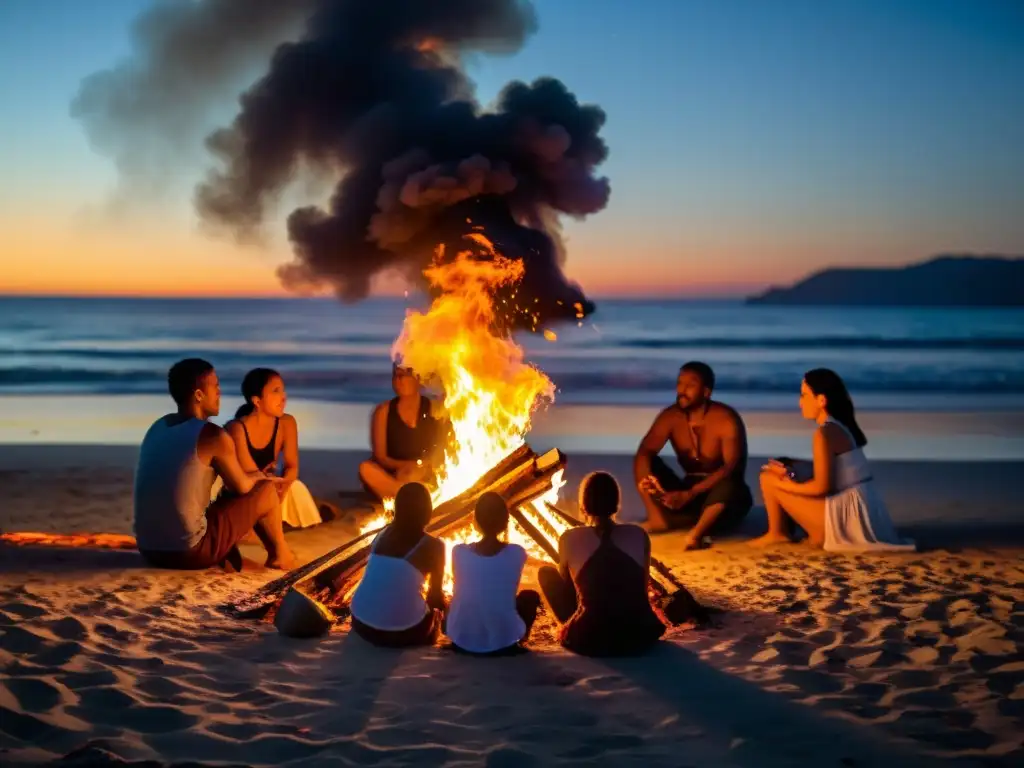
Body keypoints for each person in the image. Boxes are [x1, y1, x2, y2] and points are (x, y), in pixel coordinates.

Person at [133, 358, 297, 571]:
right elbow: (242, 487)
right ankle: (281, 556)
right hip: (188, 552)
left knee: (219, 501)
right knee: (266, 490)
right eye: (215, 386)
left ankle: (236, 555)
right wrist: (261, 477)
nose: (219, 392)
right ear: (199, 395)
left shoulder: (158, 426)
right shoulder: (212, 435)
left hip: (148, 548)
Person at [751, 368, 914, 551]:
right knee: (787, 468)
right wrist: (791, 467)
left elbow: (822, 487)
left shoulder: (825, 433)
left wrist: (783, 485)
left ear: (821, 400)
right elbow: (835, 468)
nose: (800, 402)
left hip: (844, 520)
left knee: (769, 478)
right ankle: (790, 530)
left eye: (804, 395)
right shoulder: (839, 426)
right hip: (861, 512)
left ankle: (778, 534)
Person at [538, 472, 666, 657]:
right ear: (616, 503)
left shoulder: (569, 537)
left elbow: (566, 582)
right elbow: (642, 586)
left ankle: (578, 620)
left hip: (591, 637)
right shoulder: (638, 534)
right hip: (640, 633)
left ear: (584, 505)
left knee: (546, 573)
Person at [634, 361, 753, 549]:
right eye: (680, 383)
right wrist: (651, 485)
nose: (682, 390)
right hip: (688, 491)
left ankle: (696, 534)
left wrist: (690, 494)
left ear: (706, 392)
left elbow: (731, 467)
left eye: (690, 385)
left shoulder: (726, 419)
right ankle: (658, 519)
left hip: (724, 498)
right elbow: (645, 451)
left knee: (730, 481)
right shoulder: (670, 417)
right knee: (646, 459)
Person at [221, 368, 323, 529]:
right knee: (260, 494)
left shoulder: (287, 423)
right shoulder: (237, 428)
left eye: (283, 390)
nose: (283, 397)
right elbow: (251, 474)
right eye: (276, 391)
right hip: (245, 491)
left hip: (273, 484)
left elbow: (292, 466)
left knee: (297, 487)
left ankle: (285, 522)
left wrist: (283, 486)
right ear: (257, 401)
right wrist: (271, 486)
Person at [349, 482, 446, 647]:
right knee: (438, 617)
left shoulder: (381, 534)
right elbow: (435, 598)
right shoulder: (434, 546)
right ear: (427, 510)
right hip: (405, 632)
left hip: (360, 623)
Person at [445, 493, 541, 655]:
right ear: (506, 522)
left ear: (476, 522)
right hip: (503, 643)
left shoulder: (458, 551)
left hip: (461, 641)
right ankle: (518, 640)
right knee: (529, 596)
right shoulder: (517, 552)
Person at [358, 364, 447, 502]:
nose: (399, 380)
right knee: (366, 469)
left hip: (422, 472)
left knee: (412, 475)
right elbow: (381, 457)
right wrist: (404, 465)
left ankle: (404, 496)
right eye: (396, 375)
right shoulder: (383, 412)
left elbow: (442, 448)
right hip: (392, 474)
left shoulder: (433, 409)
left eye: (405, 375)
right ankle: (409, 496)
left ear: (418, 380)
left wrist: (421, 466)